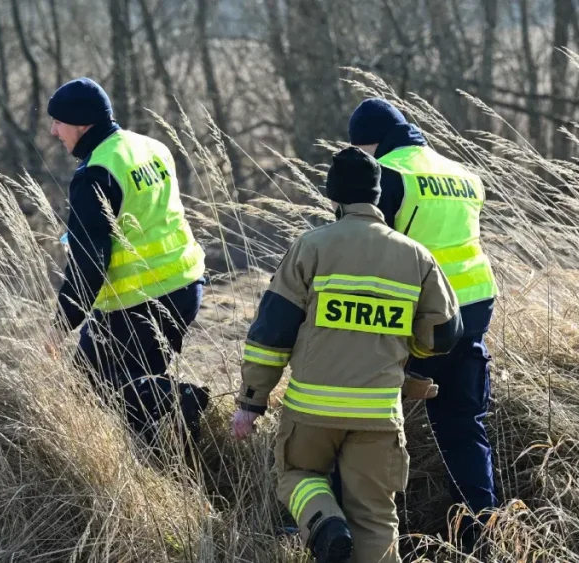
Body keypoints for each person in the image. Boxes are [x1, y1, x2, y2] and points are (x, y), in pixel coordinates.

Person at [231, 147, 464, 563]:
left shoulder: (311, 248)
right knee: (375, 518)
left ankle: (325, 523)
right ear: (377, 196)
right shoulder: (416, 256)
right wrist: (402, 346)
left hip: (312, 410)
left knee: (298, 475)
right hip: (378, 414)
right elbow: (444, 333)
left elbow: (272, 333)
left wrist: (252, 401)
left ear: (333, 198)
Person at [347, 98, 500, 550]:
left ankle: (365, 534)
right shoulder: (463, 175)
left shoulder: (387, 175)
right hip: (472, 315)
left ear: (368, 143)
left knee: (362, 421)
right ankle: (481, 536)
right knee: (464, 428)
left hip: (415, 321)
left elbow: (367, 250)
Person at [45, 77, 210, 445]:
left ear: (82, 124)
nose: (53, 130)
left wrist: (60, 325)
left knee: (86, 389)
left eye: (58, 121)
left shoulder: (95, 174)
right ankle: (172, 456)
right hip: (185, 286)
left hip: (136, 301)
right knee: (135, 385)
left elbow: (89, 262)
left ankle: (179, 400)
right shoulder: (151, 146)